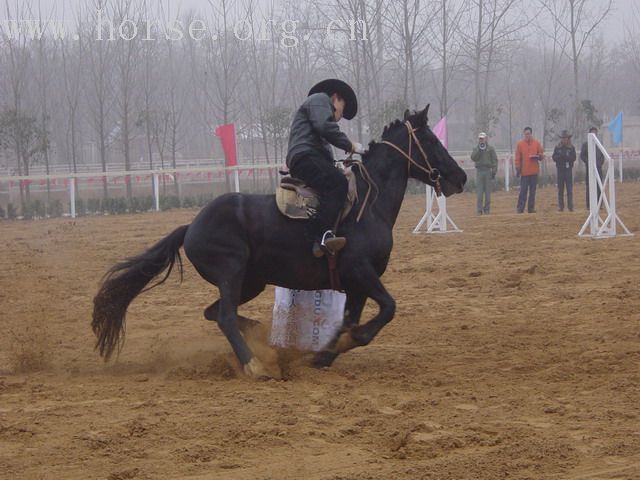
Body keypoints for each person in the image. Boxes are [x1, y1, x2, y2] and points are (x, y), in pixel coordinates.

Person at [286, 79, 366, 257]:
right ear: (336, 98)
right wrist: (350, 145)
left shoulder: (315, 110)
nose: (338, 117)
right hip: (305, 156)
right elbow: (325, 126)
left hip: (306, 156)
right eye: (341, 111)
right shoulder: (320, 99)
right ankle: (323, 235)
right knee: (337, 183)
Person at [514, 126, 544, 214]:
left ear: (531, 134)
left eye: (529, 134)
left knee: (532, 192)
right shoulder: (520, 144)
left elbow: (541, 154)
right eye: (526, 134)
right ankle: (520, 208)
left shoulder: (537, 143)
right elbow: (517, 157)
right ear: (524, 134)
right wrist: (518, 168)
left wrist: (539, 156)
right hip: (524, 172)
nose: (527, 135)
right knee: (523, 191)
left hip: (534, 172)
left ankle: (531, 208)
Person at [470, 132, 498, 215]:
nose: (481, 140)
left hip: (487, 171)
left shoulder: (491, 149)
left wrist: (494, 171)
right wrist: (479, 149)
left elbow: (494, 160)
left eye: (482, 138)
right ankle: (479, 210)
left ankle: (487, 210)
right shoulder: (476, 148)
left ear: (486, 139)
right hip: (479, 171)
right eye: (480, 138)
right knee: (479, 193)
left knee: (488, 193)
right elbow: (473, 157)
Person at [580, 126, 605, 210]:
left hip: (598, 168)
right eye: (592, 132)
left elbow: (603, 155)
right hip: (589, 169)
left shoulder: (599, 144)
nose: (594, 134)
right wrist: (589, 162)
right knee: (589, 187)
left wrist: (600, 163)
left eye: (595, 133)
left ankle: (599, 204)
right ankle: (589, 205)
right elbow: (582, 156)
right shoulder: (585, 144)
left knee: (599, 186)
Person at [552, 130, 576, 212]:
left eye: (566, 138)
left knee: (569, 189)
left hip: (568, 170)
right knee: (560, 189)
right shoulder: (557, 147)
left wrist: (566, 157)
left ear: (568, 138)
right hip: (560, 170)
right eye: (563, 138)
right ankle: (561, 206)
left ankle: (570, 206)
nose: (564, 139)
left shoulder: (571, 148)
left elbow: (574, 158)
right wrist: (560, 157)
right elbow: (554, 157)